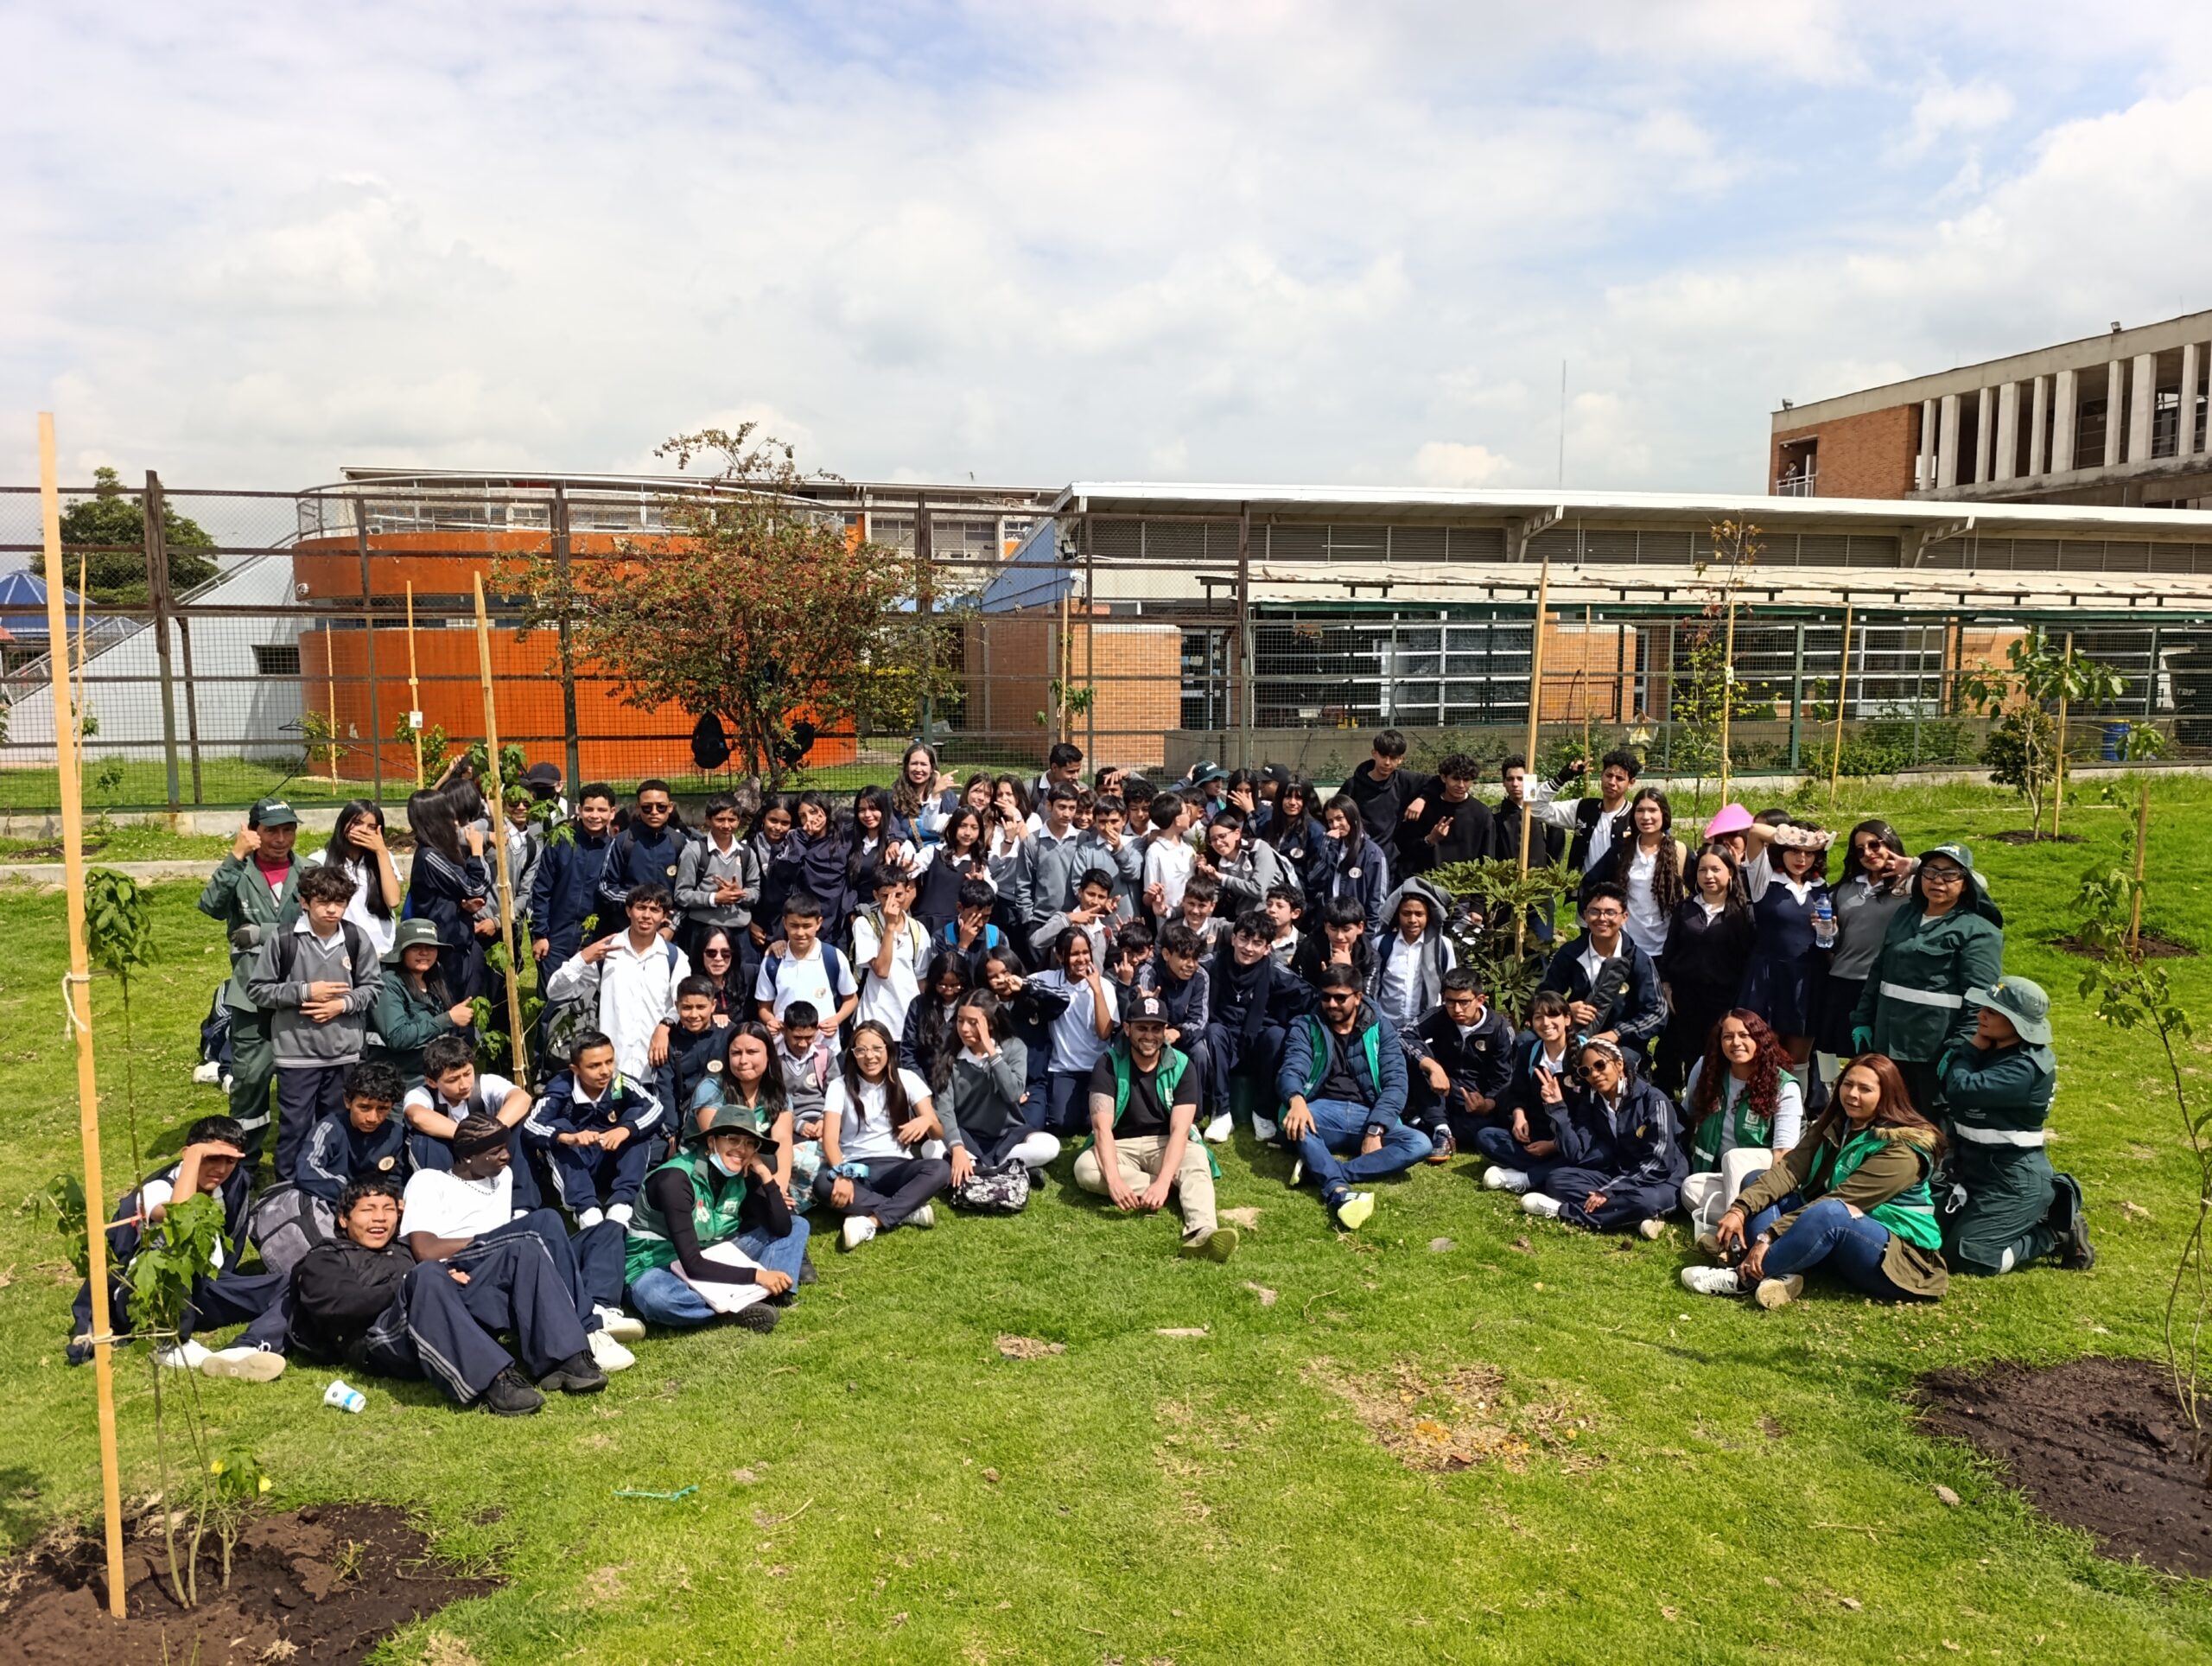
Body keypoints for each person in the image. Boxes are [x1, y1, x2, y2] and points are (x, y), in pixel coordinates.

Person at [289, 1174, 601, 1416]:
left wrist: (438, 1279)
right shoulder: (326, 1257)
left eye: (387, 1209)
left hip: (433, 1319)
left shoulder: (401, 1250)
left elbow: (429, 1280)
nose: (380, 1219)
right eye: (368, 1211)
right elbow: (341, 1306)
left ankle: (565, 1356)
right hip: (382, 1340)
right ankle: (495, 1380)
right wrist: (412, 1283)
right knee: (427, 1272)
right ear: (343, 1219)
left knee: (523, 1250)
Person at [1684, 1053, 1948, 1307]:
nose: (1852, 1095)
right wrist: (1740, 1208)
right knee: (1757, 1179)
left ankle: (1743, 1276)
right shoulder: (1837, 1122)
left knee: (1831, 1211)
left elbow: (1842, 1200)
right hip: (1838, 1234)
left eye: (1865, 1089)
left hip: (1896, 1257)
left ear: (1887, 1095)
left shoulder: (1902, 1149)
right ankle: (1780, 1271)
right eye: (1847, 1084)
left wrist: (1768, 1236)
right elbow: (1789, 1170)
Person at [397, 1112, 636, 1371]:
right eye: (496, 1151)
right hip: (467, 1269)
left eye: (506, 1148)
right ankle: (588, 1329)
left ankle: (601, 1307)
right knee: (544, 1220)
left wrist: (508, 1240)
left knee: (607, 1230)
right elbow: (425, 1249)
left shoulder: (503, 1177)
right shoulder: (428, 1182)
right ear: (467, 1157)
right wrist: (496, 1239)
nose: (506, 1156)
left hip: (516, 1258)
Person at [67, 1115, 289, 1380]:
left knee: (292, 1284)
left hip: (205, 1289)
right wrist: (194, 1158)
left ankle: (245, 1346)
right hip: (154, 1295)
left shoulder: (227, 1191)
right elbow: (178, 1218)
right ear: (187, 1154)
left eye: (229, 1161)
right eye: (211, 1158)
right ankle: (167, 1343)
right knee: (172, 1252)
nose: (220, 1169)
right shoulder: (157, 1189)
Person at [1938, 978, 2094, 1275]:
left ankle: (2051, 1233)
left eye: (1993, 1012)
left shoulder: (2025, 1068)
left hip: (2011, 1177)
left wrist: (1969, 1050)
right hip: (1971, 1166)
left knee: (1970, 1257)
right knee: (1929, 1238)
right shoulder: (1996, 1050)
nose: (1981, 1015)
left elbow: (1960, 1088)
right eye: (1984, 1007)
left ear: (2017, 1022)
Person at [248, 862, 384, 1180]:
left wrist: (342, 1004)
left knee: (336, 1124)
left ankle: (333, 1186)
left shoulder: (355, 938)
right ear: (305, 902)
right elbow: (258, 989)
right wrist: (304, 992)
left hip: (344, 1053)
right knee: (295, 1127)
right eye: (323, 902)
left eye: (339, 903)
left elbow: (374, 988)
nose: (332, 910)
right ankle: (288, 1190)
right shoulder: (284, 940)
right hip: (297, 1055)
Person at [1075, 993, 1236, 1259]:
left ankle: (1203, 1232)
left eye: (1156, 1028)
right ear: (1127, 1029)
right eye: (1141, 1027)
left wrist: (1161, 1181)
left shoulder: (1183, 1065)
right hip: (1120, 1144)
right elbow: (1101, 1128)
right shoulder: (1108, 1063)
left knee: (1196, 1157)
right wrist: (1114, 1180)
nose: (1149, 1035)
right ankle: (1181, 1188)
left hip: (1165, 1142)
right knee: (1085, 1169)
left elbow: (1181, 1130)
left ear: (1165, 1031)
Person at [1849, 843, 2003, 1118]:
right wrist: (1862, 1020)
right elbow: (1879, 972)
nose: (1937, 881)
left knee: (1927, 1126)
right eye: (1930, 872)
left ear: (1965, 883)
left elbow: (1979, 997)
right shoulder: (1905, 915)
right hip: (1887, 1042)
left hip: (1932, 1050)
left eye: (1949, 874)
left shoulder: (1978, 932)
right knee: (1886, 1119)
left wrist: (1962, 1046)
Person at [624, 1102, 806, 1332]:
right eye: (733, 1139)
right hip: (659, 1265)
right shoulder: (675, 1180)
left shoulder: (744, 1171)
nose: (742, 1149)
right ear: (712, 1141)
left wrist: (765, 1175)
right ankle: (741, 1305)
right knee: (658, 1297)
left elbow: (782, 1228)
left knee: (798, 1225)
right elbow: (692, 1264)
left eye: (750, 1143)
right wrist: (757, 1275)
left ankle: (748, 1296)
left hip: (713, 1254)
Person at [1276, 966, 1423, 1230]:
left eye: (1340, 997)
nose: (1331, 1004)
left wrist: (1375, 1129)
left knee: (1419, 1143)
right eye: (1326, 997)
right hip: (1320, 1110)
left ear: (1358, 996)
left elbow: (1396, 1084)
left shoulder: (1381, 1029)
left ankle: (1320, 1169)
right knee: (1296, 1121)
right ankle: (1338, 1191)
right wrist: (1296, 1100)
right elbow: (1292, 1068)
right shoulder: (1306, 1025)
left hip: (1366, 1113)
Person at [199, 797, 303, 1163]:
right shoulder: (239, 871)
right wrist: (235, 856)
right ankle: (245, 1160)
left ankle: (299, 1156)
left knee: (302, 1082)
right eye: (272, 830)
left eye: (288, 829)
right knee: (249, 1079)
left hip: (299, 991)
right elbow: (211, 906)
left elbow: (318, 926)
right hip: (250, 996)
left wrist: (260, 934)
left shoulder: (307, 872)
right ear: (253, 832)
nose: (281, 838)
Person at [1516, 1038, 1686, 1237]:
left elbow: (1659, 1163)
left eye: (1600, 1065)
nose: (1595, 1074)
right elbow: (1577, 1154)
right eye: (1586, 1071)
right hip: (1619, 1174)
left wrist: (1610, 1190)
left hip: (1661, 1180)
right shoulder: (1592, 1101)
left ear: (1619, 1064)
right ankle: (1630, 1218)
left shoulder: (1654, 1101)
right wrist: (1557, 1108)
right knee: (1557, 1180)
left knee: (1644, 1201)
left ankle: (1562, 1211)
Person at [814, 1021, 951, 1250]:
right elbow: (829, 1140)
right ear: (853, 1054)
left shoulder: (907, 1079)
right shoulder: (840, 1086)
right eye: (861, 1050)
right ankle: (907, 1210)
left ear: (889, 1049)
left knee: (940, 1169)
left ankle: (871, 1221)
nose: (870, 1057)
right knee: (822, 1185)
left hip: (897, 1168)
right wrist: (843, 1175)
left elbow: (938, 1133)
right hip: (856, 1168)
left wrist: (927, 1119)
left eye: (877, 1048)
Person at [545, 884, 690, 1084]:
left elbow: (683, 1003)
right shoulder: (606, 953)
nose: (646, 915)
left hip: (656, 1071)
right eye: (641, 908)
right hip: (613, 1071)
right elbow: (555, 991)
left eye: (655, 910)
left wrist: (665, 1025)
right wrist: (583, 958)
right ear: (628, 910)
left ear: (664, 916)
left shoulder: (674, 957)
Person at [1679, 1012, 1805, 1240]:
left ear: (1760, 1040)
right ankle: (1756, 1224)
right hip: (1721, 1175)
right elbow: (1686, 1116)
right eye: (1728, 1036)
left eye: (1744, 1035)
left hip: (1763, 1173)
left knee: (1734, 1158)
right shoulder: (1705, 1069)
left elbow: (1784, 1154)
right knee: (1689, 1188)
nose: (1735, 1043)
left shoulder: (1784, 1086)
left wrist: (1765, 1192)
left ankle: (1733, 1239)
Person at [524, 1030, 667, 1229]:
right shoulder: (560, 1088)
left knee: (636, 1117)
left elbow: (656, 1108)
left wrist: (626, 1130)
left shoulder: (620, 1082)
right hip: (578, 1164)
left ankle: (623, 1203)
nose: (605, 1071)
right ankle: (585, 1209)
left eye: (609, 1061)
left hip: (612, 1160)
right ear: (575, 1069)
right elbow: (531, 1126)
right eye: (594, 1066)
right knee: (558, 1127)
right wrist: (569, 1138)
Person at [1654, 843, 1755, 1096]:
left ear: (1730, 872)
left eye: (1715, 869)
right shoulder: (1686, 909)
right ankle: (1693, 1107)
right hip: (1686, 998)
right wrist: (1667, 986)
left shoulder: (1742, 913)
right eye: (1703, 870)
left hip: (1725, 999)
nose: (1708, 876)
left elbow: (1748, 958)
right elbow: (1670, 950)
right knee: (1691, 1056)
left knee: (1721, 1055)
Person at [1201, 910, 1311, 1141]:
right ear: (1233, 938)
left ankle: (1262, 1112)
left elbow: (1309, 995)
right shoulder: (1213, 963)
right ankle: (1221, 1113)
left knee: (1277, 1035)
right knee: (1213, 1031)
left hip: (1256, 1042)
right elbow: (1183, 966)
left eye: (1257, 943)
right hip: (1224, 1041)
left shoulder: (1273, 970)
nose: (1249, 948)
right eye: (1244, 939)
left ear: (1267, 948)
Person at [1732, 819, 1834, 1064]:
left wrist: (1832, 930)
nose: (1801, 858)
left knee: (1798, 1058)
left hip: (1807, 978)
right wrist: (1799, 836)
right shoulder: (1764, 879)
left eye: (1809, 853)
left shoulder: (1821, 887)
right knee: (1760, 1053)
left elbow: (1829, 937)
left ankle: (1795, 1102)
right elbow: (1755, 831)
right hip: (1768, 976)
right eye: (1794, 850)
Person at [401, 1033, 541, 1209]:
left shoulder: (485, 1084)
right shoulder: (420, 1095)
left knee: (519, 1127)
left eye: (467, 1073)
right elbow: (418, 1116)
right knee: (425, 1139)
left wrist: (491, 1134)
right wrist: (470, 1136)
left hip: (491, 1153)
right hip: (449, 1158)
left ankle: (521, 1207)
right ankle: (443, 1206)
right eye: (452, 1080)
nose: (464, 1084)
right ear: (432, 1082)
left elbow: (522, 1099)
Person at [1818, 820, 1916, 1065]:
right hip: (1844, 980)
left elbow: (1976, 883)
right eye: (1859, 849)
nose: (1868, 853)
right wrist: (1829, 932)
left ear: (1890, 843)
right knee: (1841, 1053)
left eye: (1874, 845)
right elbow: (1836, 943)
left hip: (1885, 983)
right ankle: (1834, 1099)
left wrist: (1915, 865)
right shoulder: (1843, 889)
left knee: (1880, 1059)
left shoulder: (1912, 885)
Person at [1537, 883, 1665, 1062]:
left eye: (1610, 912)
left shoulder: (1639, 960)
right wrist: (1564, 1010)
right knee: (1526, 1043)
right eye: (1594, 912)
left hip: (1622, 1044)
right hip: (1574, 1037)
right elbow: (1543, 996)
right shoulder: (1570, 953)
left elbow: (1657, 1013)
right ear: (1585, 916)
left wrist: (1616, 1034)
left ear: (1624, 917)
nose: (1602, 918)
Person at [938, 989, 1058, 1176]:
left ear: (990, 1024)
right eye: (960, 1020)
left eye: (973, 1023)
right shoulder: (950, 1055)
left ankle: (983, 1168)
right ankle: (1008, 1168)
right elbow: (944, 1110)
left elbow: (1013, 1093)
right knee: (930, 1148)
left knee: (1049, 1146)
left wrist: (992, 1054)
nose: (964, 1029)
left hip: (1007, 1135)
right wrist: (957, 1147)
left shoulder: (1014, 1047)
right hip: (967, 1136)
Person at [1474, 990, 1576, 1191]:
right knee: (1486, 1136)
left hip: (1573, 1137)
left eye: (1553, 1015)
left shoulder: (1584, 1054)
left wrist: (1554, 1144)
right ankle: (1550, 1171)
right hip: (1537, 1134)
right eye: (1539, 1017)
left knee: (1586, 1154)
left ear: (1567, 1019)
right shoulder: (1528, 1050)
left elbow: (1589, 1115)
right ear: (1530, 1023)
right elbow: (1517, 1093)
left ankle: (1527, 1177)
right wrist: (1519, 1117)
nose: (1546, 1023)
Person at [1408, 968, 1514, 1160]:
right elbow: (1403, 1035)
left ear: (1480, 1000)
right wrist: (1432, 1066)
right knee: (1415, 1061)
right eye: (1450, 1001)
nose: (1456, 1010)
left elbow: (1505, 1079)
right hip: (1440, 1091)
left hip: (1476, 1103)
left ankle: (1427, 1125)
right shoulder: (1439, 1016)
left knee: (1485, 1131)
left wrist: (1488, 1103)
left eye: (1464, 1002)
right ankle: (1441, 1130)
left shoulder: (1500, 1029)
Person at [406, 785, 497, 1002]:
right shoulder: (430, 855)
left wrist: (460, 905)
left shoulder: (440, 851)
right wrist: (477, 850)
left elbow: (448, 892)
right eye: (448, 813)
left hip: (458, 940)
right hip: (445, 948)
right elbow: (475, 886)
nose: (455, 820)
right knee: (454, 1005)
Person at [1579, 786, 1686, 963]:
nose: (1646, 817)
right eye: (1640, 810)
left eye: (1652, 810)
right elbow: (1591, 881)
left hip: (1667, 948)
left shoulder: (1678, 852)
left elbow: (1701, 889)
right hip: (1627, 948)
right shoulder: (1622, 850)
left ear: (1664, 814)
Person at [367, 919, 474, 1090]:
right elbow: (397, 1037)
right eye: (416, 947)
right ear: (401, 951)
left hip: (431, 1079)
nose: (424, 953)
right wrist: (448, 1019)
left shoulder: (435, 980)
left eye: (431, 948)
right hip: (395, 1082)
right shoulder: (388, 983)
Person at [1031, 928, 1119, 1133]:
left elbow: (1104, 1033)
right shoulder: (1048, 980)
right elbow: (1019, 983)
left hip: (1097, 1068)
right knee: (1063, 1125)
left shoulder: (1104, 986)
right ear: (1060, 955)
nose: (1081, 959)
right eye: (1074, 954)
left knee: (1092, 1124)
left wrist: (1096, 990)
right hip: (1063, 1069)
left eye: (1085, 952)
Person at [295, 1060, 410, 1212]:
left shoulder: (396, 1135)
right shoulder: (328, 1129)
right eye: (364, 1107)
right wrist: (357, 1195)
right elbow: (306, 1171)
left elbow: (398, 1181)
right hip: (334, 1205)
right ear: (348, 1101)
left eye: (382, 1109)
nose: (372, 1118)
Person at [754, 893, 858, 1052]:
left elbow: (851, 999)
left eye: (807, 926)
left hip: (825, 1049)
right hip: (783, 1050)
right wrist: (771, 1021)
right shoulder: (773, 962)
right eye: (794, 926)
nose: (800, 933)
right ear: (785, 923)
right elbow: (764, 1006)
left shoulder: (832, 957)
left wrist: (836, 1020)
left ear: (818, 923)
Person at [530, 782, 617, 973]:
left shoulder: (616, 850)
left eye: (602, 810)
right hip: (556, 937)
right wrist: (540, 934)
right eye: (589, 809)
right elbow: (542, 889)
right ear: (579, 810)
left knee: (590, 1000)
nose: (595, 816)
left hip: (596, 938)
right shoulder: (560, 843)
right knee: (551, 996)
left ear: (612, 812)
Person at [304, 798, 403, 958]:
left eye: (371, 827)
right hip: (339, 951)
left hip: (381, 950)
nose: (364, 830)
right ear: (343, 823)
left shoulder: (384, 858)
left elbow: (393, 900)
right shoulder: (319, 860)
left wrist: (382, 852)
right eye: (357, 823)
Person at [597, 779, 691, 935]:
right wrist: (639, 903)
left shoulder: (681, 843)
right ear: (638, 808)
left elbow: (688, 893)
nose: (654, 812)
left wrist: (672, 927)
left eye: (661, 807)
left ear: (670, 807)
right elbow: (606, 887)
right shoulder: (623, 841)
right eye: (647, 807)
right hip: (627, 931)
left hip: (668, 934)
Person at [674, 791, 760, 958]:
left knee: (740, 980)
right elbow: (681, 894)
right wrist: (715, 898)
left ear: (739, 821)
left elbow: (756, 892)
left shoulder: (747, 853)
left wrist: (740, 894)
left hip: (739, 931)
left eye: (732, 820)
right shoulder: (694, 851)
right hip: (703, 929)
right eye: (720, 819)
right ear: (708, 820)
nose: (726, 825)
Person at [1370, 877, 1456, 1045]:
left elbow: (1450, 986)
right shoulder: (1382, 944)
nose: (1412, 920)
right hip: (1387, 1029)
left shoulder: (1442, 946)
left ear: (1428, 916)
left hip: (1428, 1033)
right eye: (1406, 913)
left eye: (1419, 914)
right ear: (1398, 914)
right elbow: (1374, 986)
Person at [853, 864, 934, 1038]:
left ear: (907, 892)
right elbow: (881, 970)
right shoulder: (864, 924)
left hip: (907, 1023)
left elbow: (922, 980)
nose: (893, 902)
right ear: (876, 895)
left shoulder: (917, 929)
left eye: (898, 895)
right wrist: (890, 926)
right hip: (874, 1020)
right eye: (886, 896)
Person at [1529, 750, 1639, 874]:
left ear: (1631, 783)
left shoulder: (1637, 817)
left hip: (1619, 891)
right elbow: (1535, 809)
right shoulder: (1583, 809)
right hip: (1583, 891)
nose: (1612, 782)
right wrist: (1560, 779)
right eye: (1609, 775)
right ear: (1602, 775)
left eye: (1619, 779)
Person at [1317, 792, 1389, 939]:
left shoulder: (1372, 854)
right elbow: (1315, 882)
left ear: (1352, 817)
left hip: (1356, 933)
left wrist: (1368, 938)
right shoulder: (1331, 847)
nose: (1335, 825)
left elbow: (1378, 902)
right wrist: (1327, 851)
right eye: (1330, 821)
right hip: (1331, 930)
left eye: (1339, 818)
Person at [912, 807, 994, 937]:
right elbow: (912, 870)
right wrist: (907, 867)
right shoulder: (933, 852)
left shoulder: (978, 864)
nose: (968, 833)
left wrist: (980, 883)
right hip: (926, 922)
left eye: (974, 828)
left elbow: (992, 889)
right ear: (953, 827)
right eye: (963, 826)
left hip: (956, 926)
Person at [658, 976, 729, 1123]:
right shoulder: (667, 1042)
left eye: (701, 1007)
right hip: (682, 1120)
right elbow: (665, 1090)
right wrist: (670, 1132)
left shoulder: (729, 1034)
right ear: (677, 1006)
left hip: (726, 1115)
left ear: (714, 1005)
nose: (694, 1015)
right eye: (687, 1008)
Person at [1344, 728, 1420, 851]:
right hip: (1359, 854)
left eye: (1393, 758)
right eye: (1383, 756)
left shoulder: (1404, 780)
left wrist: (1421, 799)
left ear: (1401, 759)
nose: (1387, 763)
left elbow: (1438, 782)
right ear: (1374, 753)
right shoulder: (1353, 785)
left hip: (1390, 859)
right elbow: (1335, 811)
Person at [900, 953, 972, 1078]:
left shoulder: (973, 1006)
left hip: (963, 1083)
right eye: (942, 985)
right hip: (924, 1082)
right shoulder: (919, 1005)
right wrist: (922, 1091)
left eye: (955, 986)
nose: (948, 990)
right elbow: (908, 1053)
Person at [1293, 895, 1378, 993]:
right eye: (1333, 929)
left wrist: (1347, 972)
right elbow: (1299, 994)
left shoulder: (1370, 957)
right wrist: (1327, 982)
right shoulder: (1308, 949)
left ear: (1360, 927)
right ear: (1325, 927)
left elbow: (1368, 1000)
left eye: (1346, 930)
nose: (1339, 936)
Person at [1262, 776, 1329, 899]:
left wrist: (1295, 895)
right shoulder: (1269, 826)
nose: (1292, 802)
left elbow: (1318, 874)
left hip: (1299, 900)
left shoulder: (1316, 831)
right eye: (1288, 797)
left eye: (1298, 798)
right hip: (1269, 896)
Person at [1141, 792, 1197, 926]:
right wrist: (1152, 895)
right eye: (1186, 811)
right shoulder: (1155, 852)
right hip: (1169, 924)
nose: (1189, 815)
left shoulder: (1189, 848)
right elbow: (1148, 898)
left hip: (1193, 920)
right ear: (1177, 820)